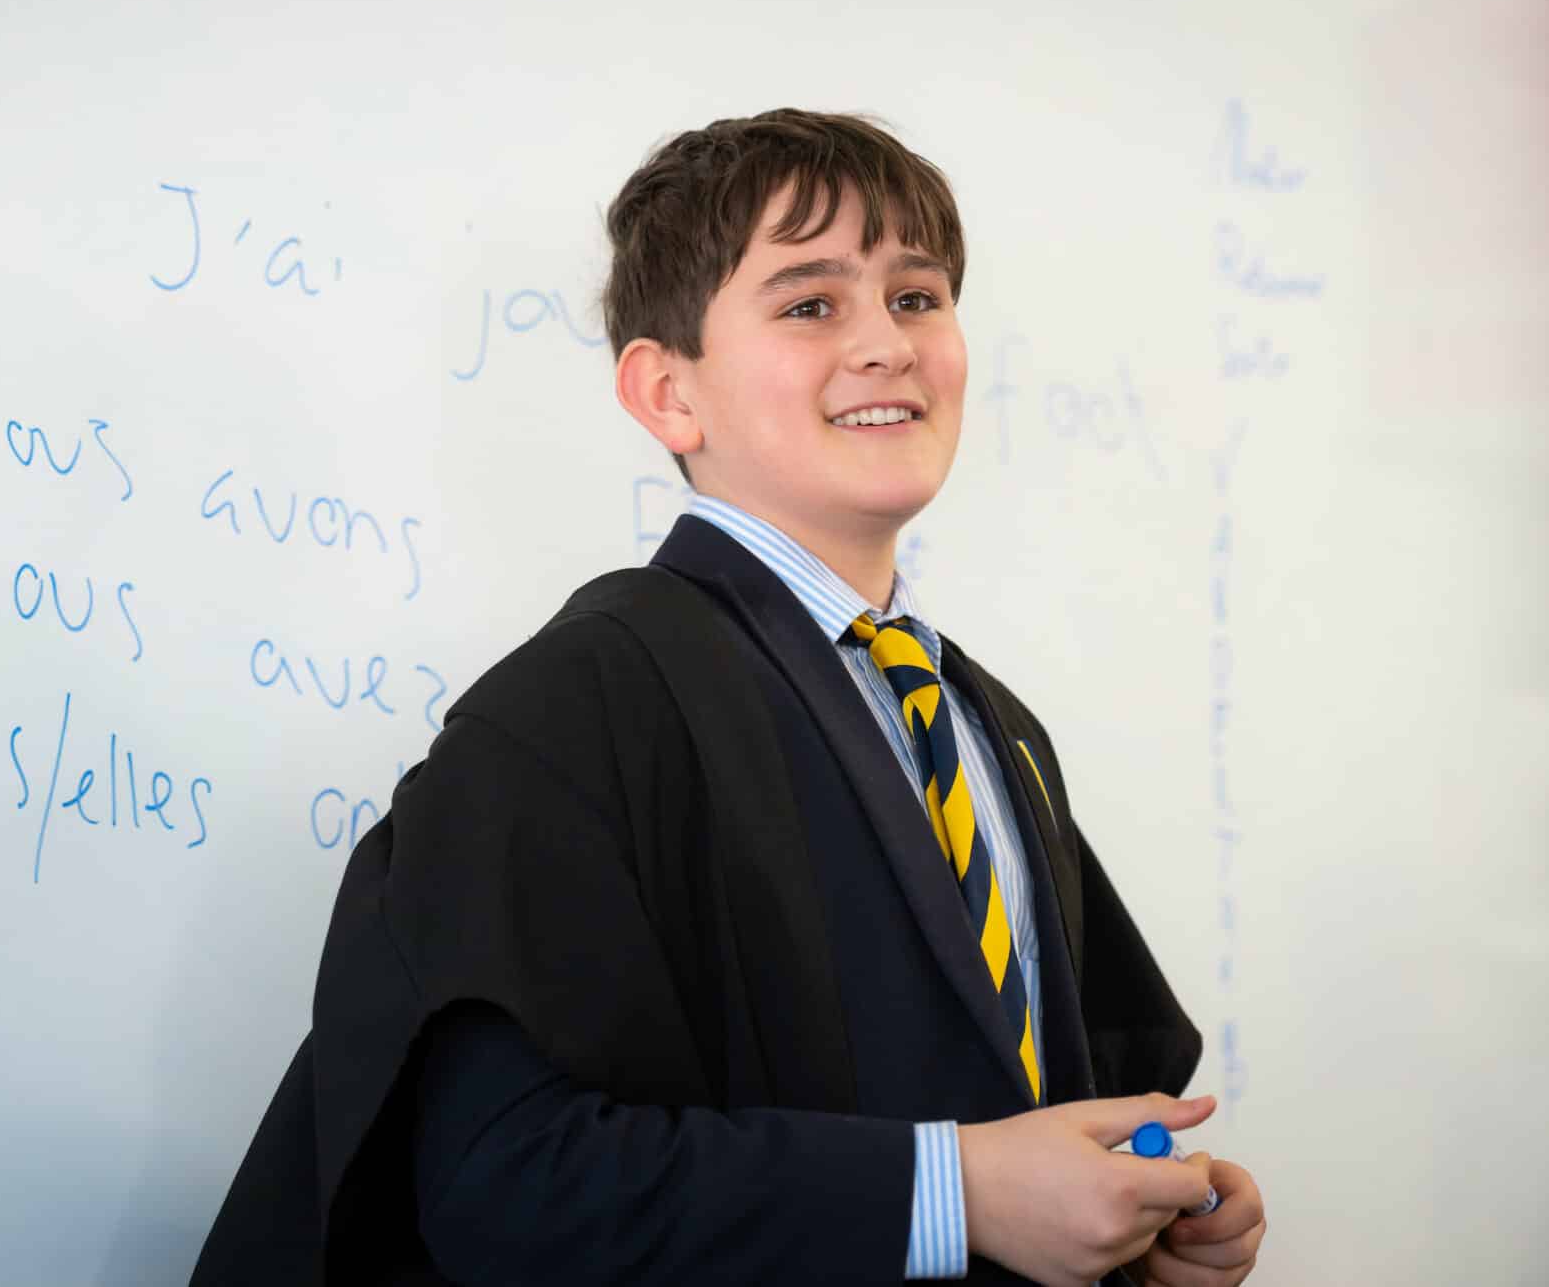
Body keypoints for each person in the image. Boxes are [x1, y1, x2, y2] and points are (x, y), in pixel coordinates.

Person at [193, 108, 1267, 1285]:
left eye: (918, 298)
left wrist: (1145, 1214)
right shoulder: (578, 704)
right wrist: (956, 1195)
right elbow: (503, 1181)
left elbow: (1070, 1099)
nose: (887, 345)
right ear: (667, 395)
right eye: (811, 304)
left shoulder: (989, 727)